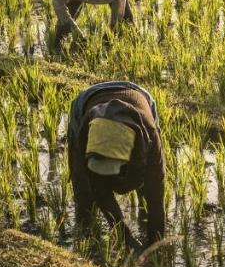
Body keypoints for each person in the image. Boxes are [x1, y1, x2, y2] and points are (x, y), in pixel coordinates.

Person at [66, 80, 165, 249]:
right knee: (85, 194)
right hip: (87, 103)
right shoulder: (85, 133)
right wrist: (124, 236)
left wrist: (156, 244)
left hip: (140, 99)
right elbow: (98, 189)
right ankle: (84, 239)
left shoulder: (149, 137)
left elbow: (156, 197)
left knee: (148, 187)